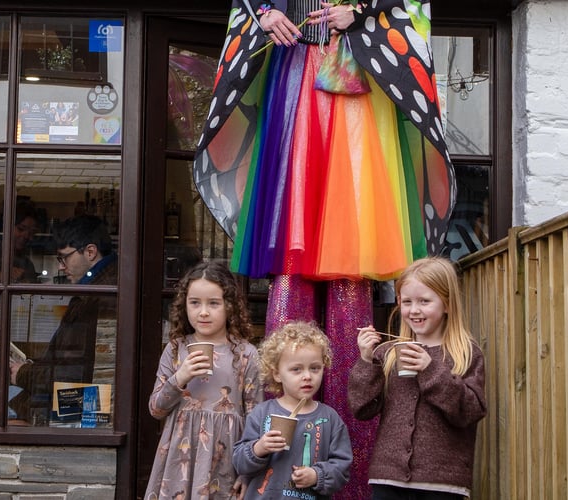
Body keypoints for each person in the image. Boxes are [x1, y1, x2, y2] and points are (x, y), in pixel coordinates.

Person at [192, 1, 456, 495]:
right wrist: (265, 13)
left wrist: (360, 11)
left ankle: (352, 475)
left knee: (351, 266)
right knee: (293, 257)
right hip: (293, 74)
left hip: (356, 74)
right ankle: (269, 467)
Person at [0, 215, 118, 425]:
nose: (61, 267)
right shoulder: (101, 287)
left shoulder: (98, 298)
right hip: (66, 398)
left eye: (64, 257)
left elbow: (71, 377)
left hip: (64, 403)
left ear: (90, 252)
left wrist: (24, 373)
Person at [348, 257, 487, 499]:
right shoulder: (388, 353)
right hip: (387, 479)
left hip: (442, 484)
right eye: (407, 301)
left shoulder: (465, 353)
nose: (414, 310)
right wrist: (367, 361)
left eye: (424, 301)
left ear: (447, 304)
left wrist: (431, 370)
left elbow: (470, 412)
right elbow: (362, 408)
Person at [145, 260, 263, 500]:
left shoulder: (245, 354)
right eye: (195, 303)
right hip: (181, 458)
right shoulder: (176, 349)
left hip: (227, 458)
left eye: (214, 303)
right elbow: (156, 409)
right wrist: (180, 377)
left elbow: (256, 419)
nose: (203, 312)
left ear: (229, 306)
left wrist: (248, 473)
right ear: (184, 305)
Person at [233, 321, 352, 499]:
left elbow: (342, 468)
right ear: (277, 374)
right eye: (296, 369)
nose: (307, 376)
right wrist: (259, 448)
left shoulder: (330, 419)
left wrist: (317, 475)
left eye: (315, 368)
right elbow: (239, 463)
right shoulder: (261, 413)